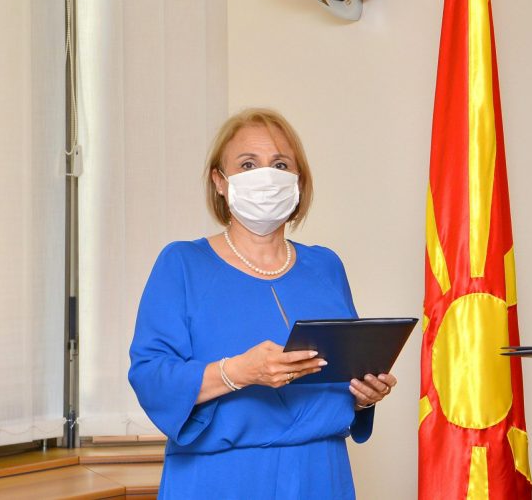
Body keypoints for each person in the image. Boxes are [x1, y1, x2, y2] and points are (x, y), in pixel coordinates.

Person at [129, 108, 397, 499]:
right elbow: (151, 378)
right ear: (220, 181)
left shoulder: (326, 266)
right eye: (248, 164)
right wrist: (240, 371)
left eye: (280, 164)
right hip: (220, 479)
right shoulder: (182, 264)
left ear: (298, 181)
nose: (266, 176)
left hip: (321, 473)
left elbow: (346, 372)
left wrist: (364, 396)